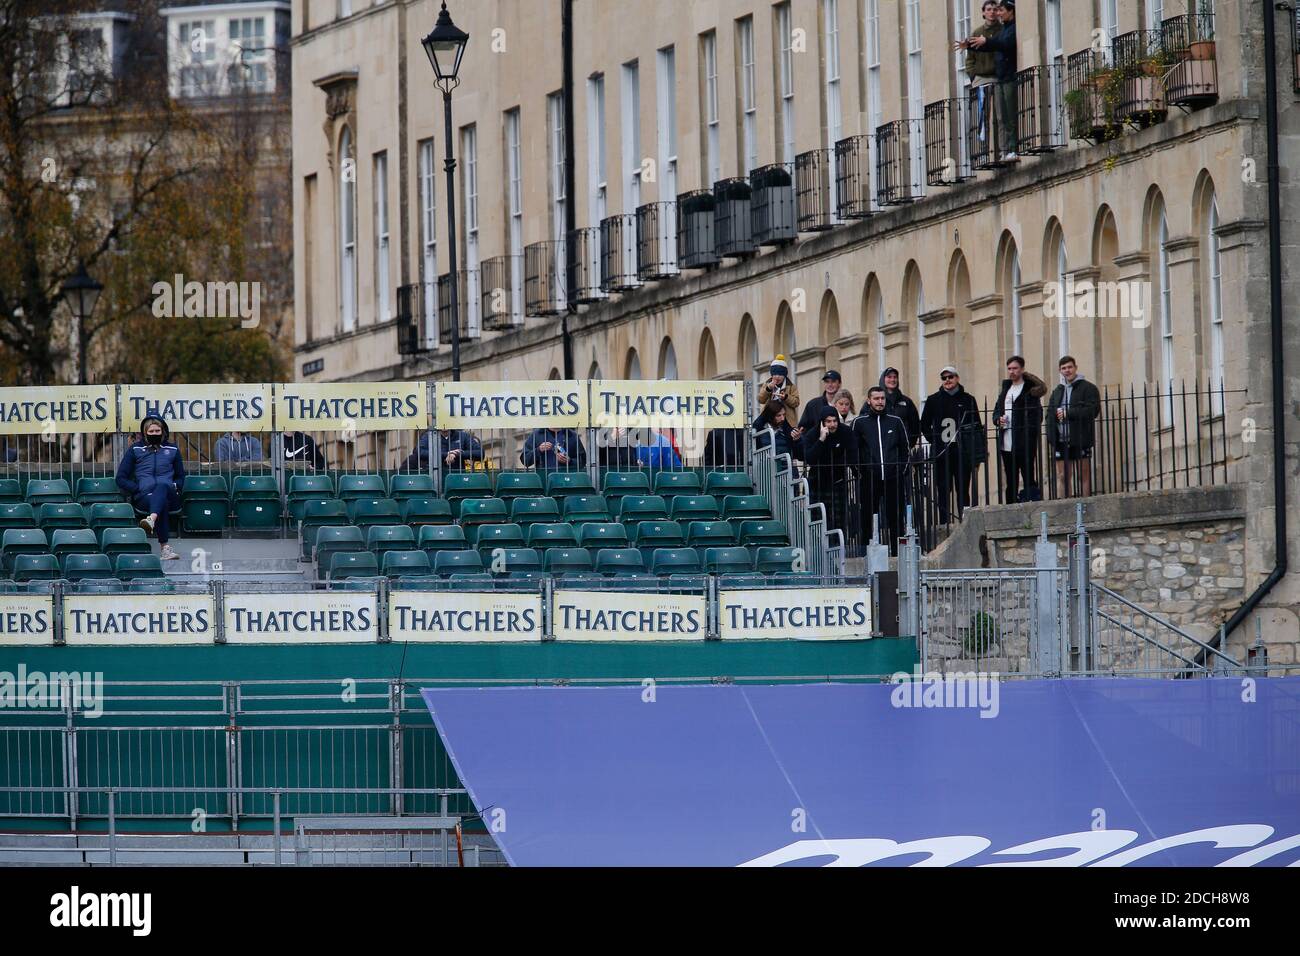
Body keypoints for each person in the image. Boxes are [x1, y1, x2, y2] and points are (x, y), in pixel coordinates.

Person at [115, 414, 185, 561]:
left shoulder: (172, 449)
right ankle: (165, 549)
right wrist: (138, 488)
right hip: (144, 496)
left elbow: (180, 477)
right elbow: (121, 478)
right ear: (145, 432)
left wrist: (175, 486)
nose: (154, 434)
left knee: (163, 487)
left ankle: (151, 519)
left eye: (157, 431)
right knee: (161, 502)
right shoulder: (135, 449)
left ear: (163, 431)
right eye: (151, 431)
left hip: (170, 493)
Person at [920, 366, 984, 523]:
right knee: (943, 489)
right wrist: (934, 441)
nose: (947, 380)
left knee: (963, 489)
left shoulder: (968, 399)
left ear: (957, 378)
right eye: (944, 378)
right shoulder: (933, 400)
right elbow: (924, 425)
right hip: (943, 453)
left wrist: (977, 455)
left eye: (950, 377)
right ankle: (944, 523)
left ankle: (965, 521)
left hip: (963, 452)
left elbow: (977, 426)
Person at [852, 386, 911, 554]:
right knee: (868, 517)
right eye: (876, 399)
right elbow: (853, 451)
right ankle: (865, 552)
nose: (880, 402)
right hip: (870, 478)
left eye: (882, 398)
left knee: (896, 518)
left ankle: (897, 553)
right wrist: (860, 473)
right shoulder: (859, 422)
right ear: (869, 400)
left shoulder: (895, 421)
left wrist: (901, 471)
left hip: (894, 477)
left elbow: (905, 449)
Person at [968, 0, 1018, 162]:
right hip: (991, 78)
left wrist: (987, 42)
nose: (996, 13)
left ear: (1010, 11)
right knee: (988, 118)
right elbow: (976, 55)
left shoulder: (1007, 29)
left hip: (1003, 77)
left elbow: (1002, 44)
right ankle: (989, 153)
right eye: (990, 10)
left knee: (1004, 117)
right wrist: (969, 46)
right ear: (983, 12)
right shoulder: (997, 29)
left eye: (999, 10)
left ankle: (1008, 150)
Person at [1046, 355, 1102, 499]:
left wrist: (1068, 413)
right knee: (1063, 476)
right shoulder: (1057, 390)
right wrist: (1051, 436)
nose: (1067, 370)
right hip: (1061, 440)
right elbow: (1050, 414)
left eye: (1070, 367)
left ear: (1075, 368)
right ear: (1060, 371)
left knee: (1083, 475)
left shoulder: (1088, 388)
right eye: (1064, 368)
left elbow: (1093, 411)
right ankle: (1066, 510)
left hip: (1080, 437)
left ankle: (1086, 507)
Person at [994, 356, 1047, 503]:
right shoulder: (1006, 389)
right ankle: (1010, 508)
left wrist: (1028, 434)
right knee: (1011, 479)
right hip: (1006, 441)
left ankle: (1032, 507)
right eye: (1009, 368)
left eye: (1015, 368)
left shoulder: (1029, 390)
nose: (1012, 371)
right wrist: (998, 419)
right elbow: (997, 410)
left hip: (1024, 442)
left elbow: (1037, 415)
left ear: (1022, 369)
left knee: (1028, 476)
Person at [954, 1, 1003, 160]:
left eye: (995, 9)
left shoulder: (1002, 30)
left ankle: (1000, 151)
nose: (992, 12)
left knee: (999, 116)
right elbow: (970, 59)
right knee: (983, 118)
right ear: (983, 13)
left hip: (997, 76)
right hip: (981, 78)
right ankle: (984, 152)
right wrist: (973, 75)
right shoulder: (977, 32)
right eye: (989, 10)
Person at [804, 408, 856, 537]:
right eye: (828, 421)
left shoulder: (845, 431)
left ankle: (838, 549)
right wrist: (821, 439)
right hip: (818, 481)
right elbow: (809, 458)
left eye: (834, 421)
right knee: (818, 519)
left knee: (839, 521)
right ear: (822, 422)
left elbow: (853, 454)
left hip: (838, 481)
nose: (832, 425)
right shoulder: (812, 434)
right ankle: (819, 548)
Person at [879, 367, 922, 451]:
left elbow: (915, 424)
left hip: (902, 447)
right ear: (883, 379)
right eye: (889, 377)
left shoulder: (907, 401)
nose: (892, 379)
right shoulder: (876, 401)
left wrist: (909, 443)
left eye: (895, 377)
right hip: (882, 447)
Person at [403, 428, 485, 472]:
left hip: (458, 477)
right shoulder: (428, 436)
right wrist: (445, 454)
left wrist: (456, 454)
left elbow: (480, 453)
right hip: (434, 477)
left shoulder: (462, 436)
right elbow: (418, 452)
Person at [796, 369, 844, 436]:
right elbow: (803, 429)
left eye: (833, 381)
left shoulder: (845, 403)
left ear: (839, 384)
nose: (830, 385)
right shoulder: (813, 405)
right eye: (827, 382)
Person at [520, 425, 587, 471]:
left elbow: (583, 461)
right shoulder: (536, 435)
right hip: (544, 481)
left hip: (567, 482)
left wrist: (570, 461)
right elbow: (525, 460)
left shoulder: (571, 435)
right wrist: (538, 450)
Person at [757, 355, 801, 422]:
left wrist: (786, 397)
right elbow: (760, 400)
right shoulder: (767, 384)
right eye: (775, 374)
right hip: (770, 415)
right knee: (756, 425)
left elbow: (796, 403)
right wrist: (768, 389)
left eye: (780, 374)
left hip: (786, 417)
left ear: (784, 375)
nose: (777, 377)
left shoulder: (791, 386)